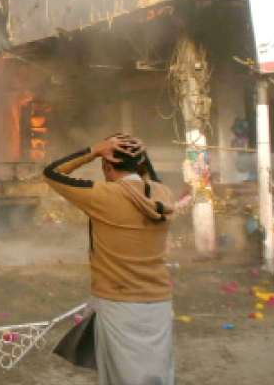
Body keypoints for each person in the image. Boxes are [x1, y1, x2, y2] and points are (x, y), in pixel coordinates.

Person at [43, 134, 175, 385]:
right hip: (158, 301)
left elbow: (52, 173)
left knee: (122, 376)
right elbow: (150, 179)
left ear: (107, 165)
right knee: (158, 374)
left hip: (118, 302)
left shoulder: (102, 194)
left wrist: (93, 150)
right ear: (141, 163)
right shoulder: (163, 195)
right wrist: (140, 158)